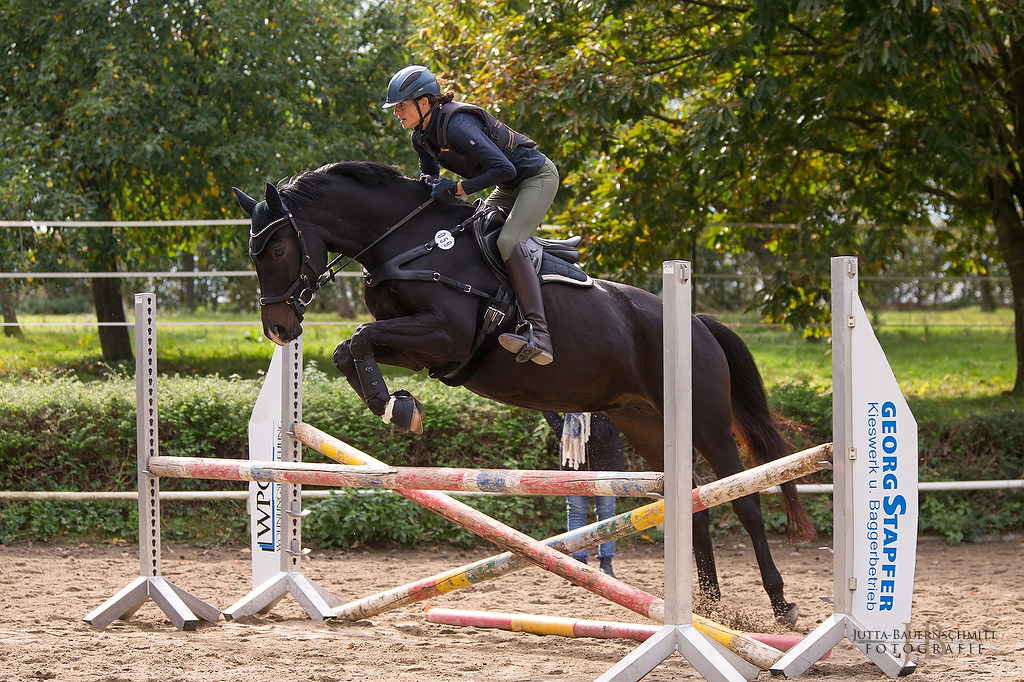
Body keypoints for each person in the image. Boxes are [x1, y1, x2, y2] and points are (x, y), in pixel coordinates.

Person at [383, 64, 559, 366]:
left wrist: (459, 189)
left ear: (423, 102)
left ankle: (539, 333)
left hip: (536, 178)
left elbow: (506, 168)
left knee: (507, 241)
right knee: (475, 232)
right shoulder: (420, 136)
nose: (396, 112)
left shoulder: (457, 125)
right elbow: (430, 179)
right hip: (508, 185)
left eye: (401, 105)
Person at [542, 411, 626, 577]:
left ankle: (606, 562)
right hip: (573, 454)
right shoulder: (569, 388)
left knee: (607, 512)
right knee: (576, 510)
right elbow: (546, 404)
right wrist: (561, 428)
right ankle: (577, 564)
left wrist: (610, 427)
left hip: (606, 453)